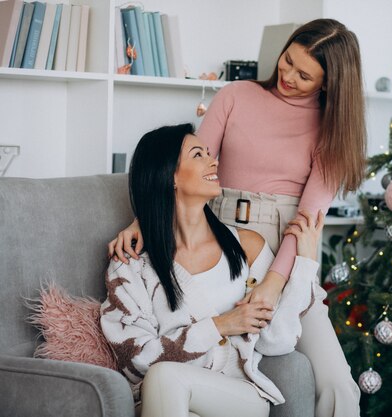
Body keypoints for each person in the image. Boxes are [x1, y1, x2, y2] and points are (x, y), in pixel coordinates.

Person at [109, 18, 365, 417]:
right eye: (287, 60)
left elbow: (307, 222)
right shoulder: (236, 96)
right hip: (219, 237)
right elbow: (188, 169)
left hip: (281, 252)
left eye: (304, 74)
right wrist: (140, 221)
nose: (287, 76)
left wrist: (274, 284)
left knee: (339, 386)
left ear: (329, 83)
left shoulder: (332, 132)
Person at [101, 123, 325, 417]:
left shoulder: (247, 246)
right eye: (198, 155)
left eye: (209, 153)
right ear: (170, 177)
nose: (214, 160)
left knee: (165, 377)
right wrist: (221, 325)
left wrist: (305, 264)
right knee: (167, 386)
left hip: (238, 395)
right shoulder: (130, 264)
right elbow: (134, 359)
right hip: (168, 401)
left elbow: (277, 340)